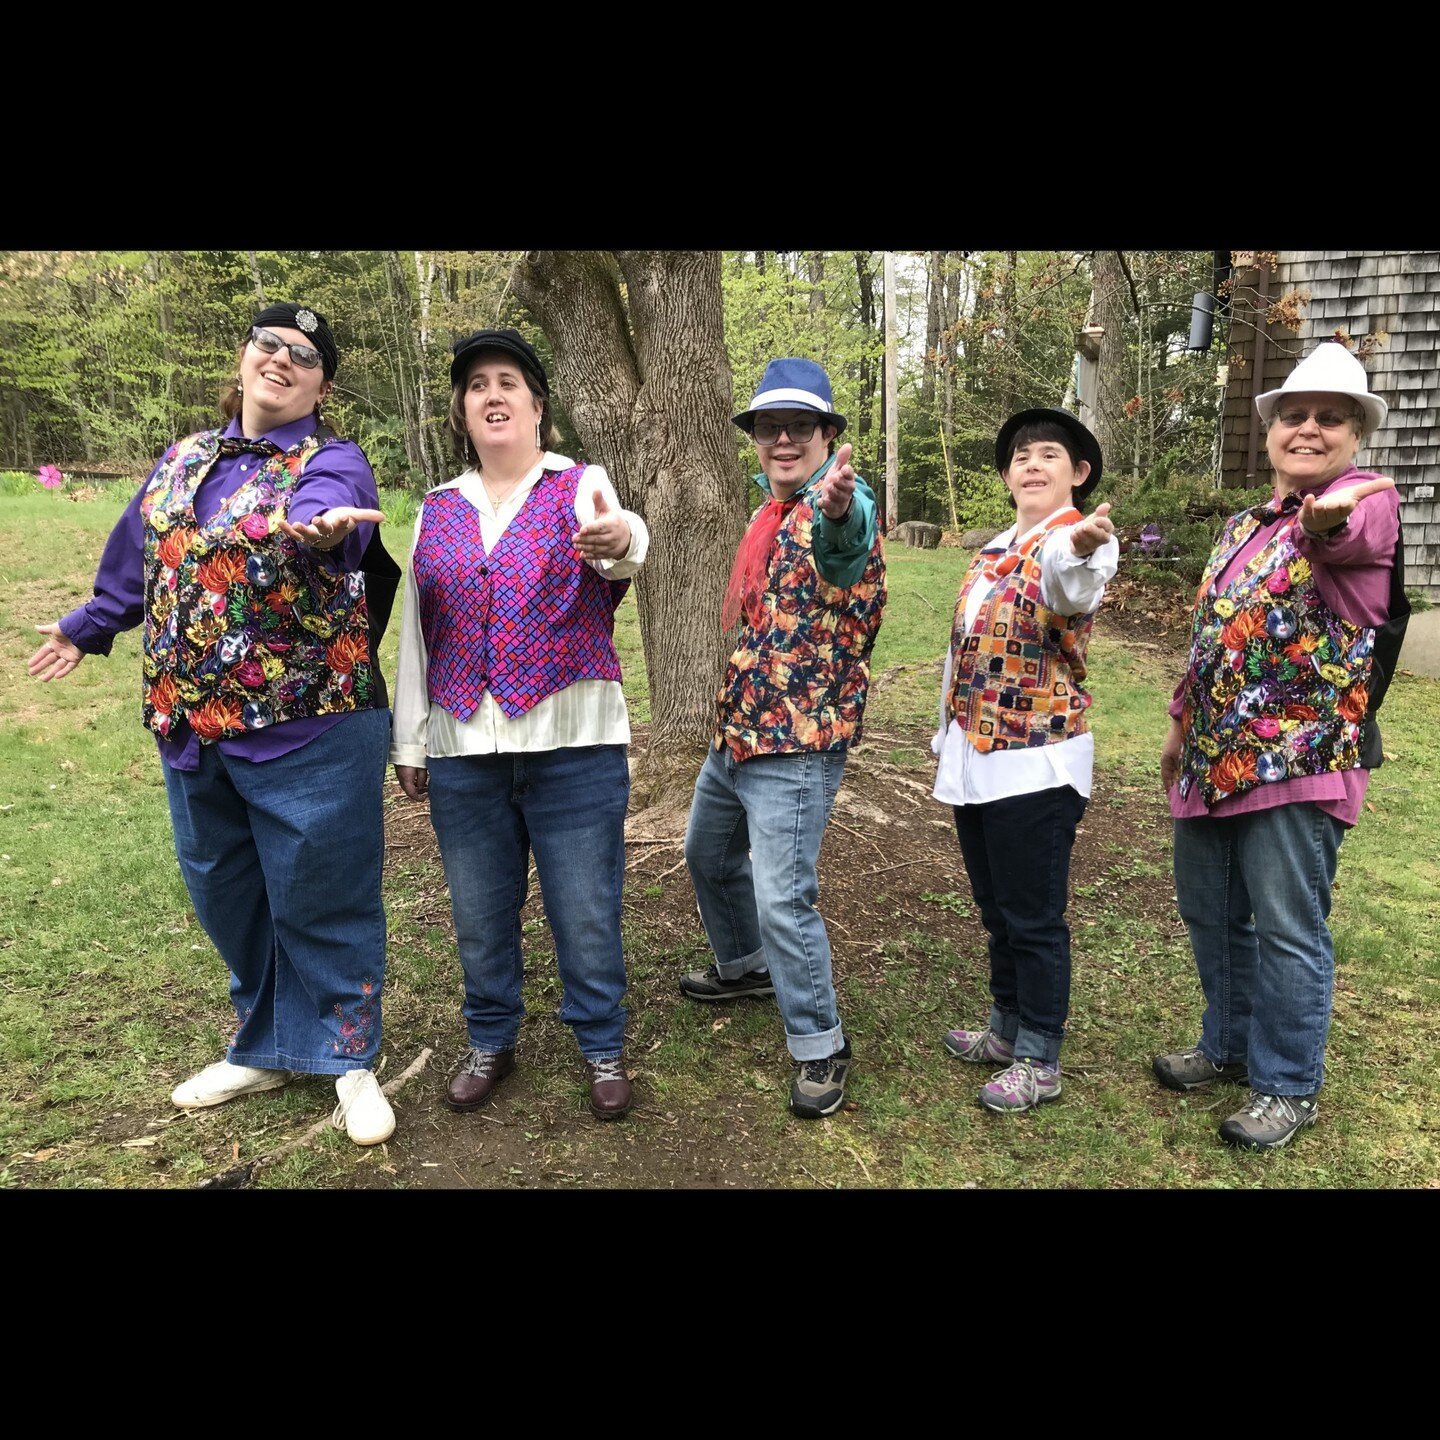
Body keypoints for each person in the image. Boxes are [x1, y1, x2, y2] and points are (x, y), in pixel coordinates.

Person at [27, 303, 399, 1146]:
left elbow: (335, 510)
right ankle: (265, 1044)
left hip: (308, 722)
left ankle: (348, 1058)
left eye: (303, 355)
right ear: (244, 358)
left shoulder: (331, 459)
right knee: (224, 891)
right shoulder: (184, 457)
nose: (281, 358)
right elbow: (136, 560)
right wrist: (87, 629)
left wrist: (327, 525)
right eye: (269, 343)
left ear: (321, 384)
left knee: (322, 897)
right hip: (192, 721)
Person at [390, 328, 649, 1121]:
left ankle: (602, 1045)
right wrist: (411, 739)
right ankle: (490, 1040)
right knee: (477, 910)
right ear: (465, 413)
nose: (492, 395)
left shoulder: (579, 483)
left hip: (573, 747)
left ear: (540, 408)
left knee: (586, 907)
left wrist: (618, 542)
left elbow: (623, 542)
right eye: (477, 386)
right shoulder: (436, 509)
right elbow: (416, 631)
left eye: (509, 382)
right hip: (466, 748)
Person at [1154, 342, 1402, 1150]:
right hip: (1211, 760)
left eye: (1329, 418)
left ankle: (1287, 1085)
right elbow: (1214, 636)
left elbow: (1351, 531)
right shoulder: (1243, 526)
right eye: (1293, 415)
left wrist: (1326, 519)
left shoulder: (1366, 500)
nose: (1307, 428)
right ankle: (1227, 1044)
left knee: (1290, 926)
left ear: (1355, 433)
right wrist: (1177, 725)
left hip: (1299, 762)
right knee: (1211, 913)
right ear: (1269, 433)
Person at [678, 357, 886, 1118]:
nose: (785, 439)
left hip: (797, 741)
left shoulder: (839, 501)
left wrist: (837, 508)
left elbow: (846, 541)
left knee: (784, 898)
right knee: (706, 854)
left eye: (801, 426)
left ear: (828, 435)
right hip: (739, 731)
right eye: (772, 427)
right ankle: (745, 967)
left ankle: (821, 1043)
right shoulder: (766, 514)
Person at [932, 408, 1118, 1113]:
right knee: (996, 907)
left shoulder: (1081, 543)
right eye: (1020, 456)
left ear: (1079, 473)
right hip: (976, 758)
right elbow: (961, 649)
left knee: (1034, 915)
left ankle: (1041, 1054)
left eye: (1048, 455)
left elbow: (1070, 589)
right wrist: (943, 735)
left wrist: (1079, 545)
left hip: (1038, 762)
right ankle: (1005, 1029)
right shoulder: (990, 551)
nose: (1031, 465)